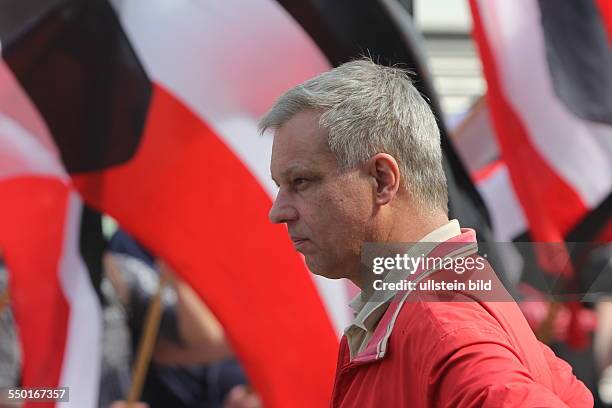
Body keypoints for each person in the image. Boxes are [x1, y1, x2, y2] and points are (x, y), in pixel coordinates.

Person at [260, 58, 593, 407]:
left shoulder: (443, 326)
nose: (277, 212)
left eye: (300, 181)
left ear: (382, 179)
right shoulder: (440, 309)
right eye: (280, 186)